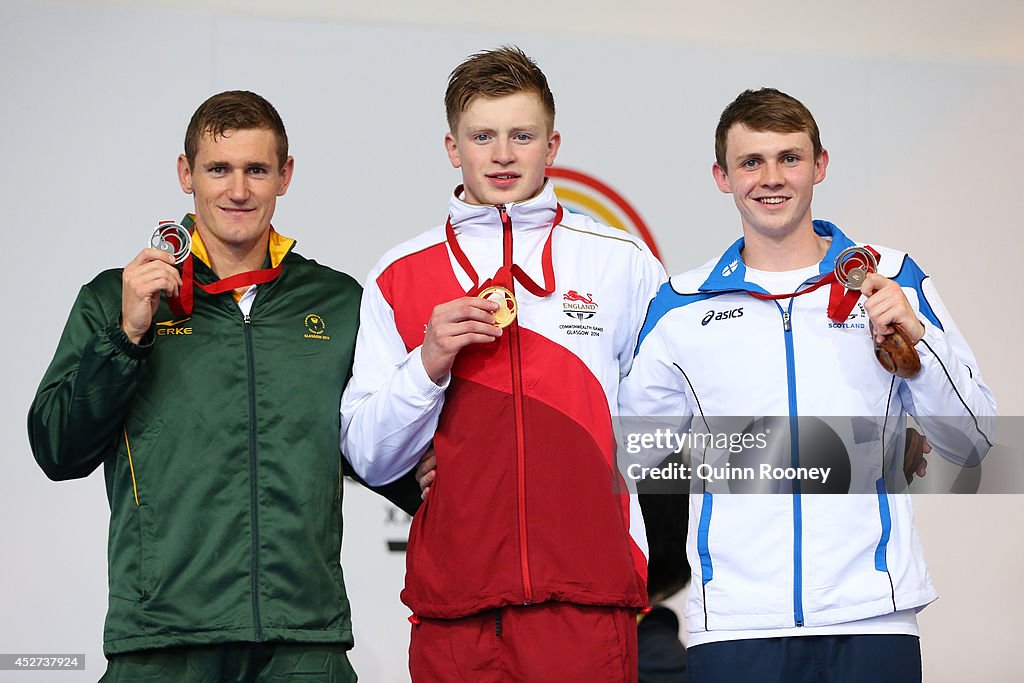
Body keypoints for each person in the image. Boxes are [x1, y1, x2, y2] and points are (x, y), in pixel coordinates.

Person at [28, 90, 419, 682]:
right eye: (218, 169)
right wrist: (128, 333)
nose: (238, 190)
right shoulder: (118, 297)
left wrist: (438, 480)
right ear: (186, 174)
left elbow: (373, 441)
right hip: (161, 642)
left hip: (303, 642)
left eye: (256, 170)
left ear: (284, 176)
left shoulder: (338, 303)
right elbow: (57, 450)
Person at [618, 88, 996, 682]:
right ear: (722, 176)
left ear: (820, 165)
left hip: (873, 620)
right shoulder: (681, 306)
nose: (772, 178)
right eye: (751, 162)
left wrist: (919, 347)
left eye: (790, 158)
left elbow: (972, 442)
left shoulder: (891, 277)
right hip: (737, 625)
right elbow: (633, 456)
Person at [339, 46, 666, 681]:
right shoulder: (398, 275)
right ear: (451, 147)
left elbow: (667, 430)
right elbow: (369, 454)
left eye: (522, 135)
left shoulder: (621, 263)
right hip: (456, 609)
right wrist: (428, 362)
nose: (503, 154)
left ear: (553, 144)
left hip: (588, 598)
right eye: (482, 136)